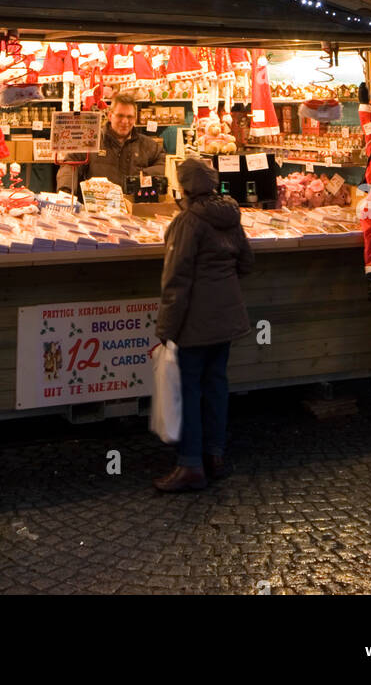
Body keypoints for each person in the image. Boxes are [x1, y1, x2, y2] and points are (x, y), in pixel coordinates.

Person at [153, 156, 254, 492]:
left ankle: (190, 465)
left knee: (189, 391)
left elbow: (175, 283)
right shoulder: (231, 216)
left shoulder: (187, 223)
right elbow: (247, 262)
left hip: (194, 322)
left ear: (183, 188)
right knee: (215, 386)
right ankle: (215, 455)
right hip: (225, 319)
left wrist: (165, 331)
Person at [55, 92, 166, 195]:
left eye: (129, 117)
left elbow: (165, 166)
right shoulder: (91, 140)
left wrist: (142, 175)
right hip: (97, 210)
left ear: (135, 118)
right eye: (120, 116)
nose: (125, 122)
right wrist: (65, 190)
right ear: (110, 115)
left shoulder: (148, 145)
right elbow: (70, 164)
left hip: (134, 209)